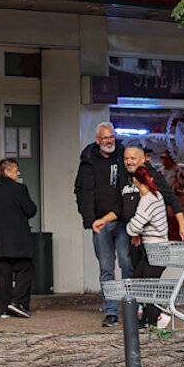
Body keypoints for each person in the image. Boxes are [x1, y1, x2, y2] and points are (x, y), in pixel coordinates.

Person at [74, 122, 127, 327]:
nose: (109, 140)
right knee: (106, 268)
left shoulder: (123, 155)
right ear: (98, 140)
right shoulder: (88, 160)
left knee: (126, 264)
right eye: (105, 138)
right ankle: (111, 311)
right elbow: (81, 191)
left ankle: (133, 307)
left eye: (111, 136)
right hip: (99, 223)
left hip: (122, 221)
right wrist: (89, 219)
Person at [122, 145, 173, 330]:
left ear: (137, 182)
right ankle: (148, 317)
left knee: (146, 286)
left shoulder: (147, 201)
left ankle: (158, 316)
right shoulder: (156, 195)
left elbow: (134, 226)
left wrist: (133, 231)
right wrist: (137, 233)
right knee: (138, 280)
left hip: (156, 251)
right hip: (153, 250)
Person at [0, 158, 37, 319]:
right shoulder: (19, 189)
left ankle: (1, 309)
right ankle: (17, 302)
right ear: (6, 171)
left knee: (1, 273)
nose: (18, 173)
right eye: (15, 170)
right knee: (26, 269)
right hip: (17, 240)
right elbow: (30, 210)